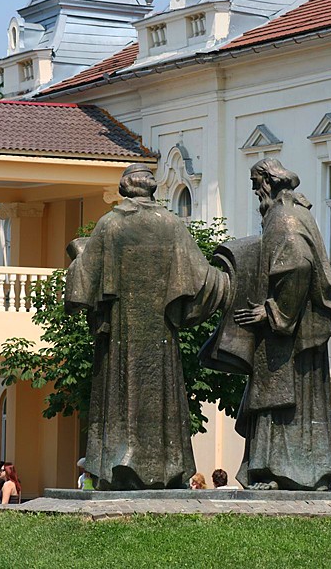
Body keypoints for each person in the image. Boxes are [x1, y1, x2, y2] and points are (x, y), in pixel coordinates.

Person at [65, 163, 228, 490]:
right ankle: (167, 467)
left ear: (125, 188)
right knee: (162, 390)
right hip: (161, 338)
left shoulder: (111, 225)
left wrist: (74, 258)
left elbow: (84, 274)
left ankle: (119, 466)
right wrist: (229, 281)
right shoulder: (172, 225)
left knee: (120, 392)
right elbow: (204, 278)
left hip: (122, 337)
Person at [231, 158, 331, 491]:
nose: (255, 193)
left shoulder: (282, 218)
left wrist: (273, 312)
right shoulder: (301, 213)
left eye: (256, 185)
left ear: (268, 183)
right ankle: (310, 473)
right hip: (303, 335)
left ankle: (276, 472)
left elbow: (298, 264)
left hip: (287, 336)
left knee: (278, 400)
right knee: (306, 404)